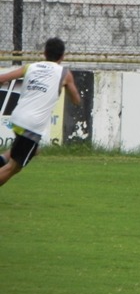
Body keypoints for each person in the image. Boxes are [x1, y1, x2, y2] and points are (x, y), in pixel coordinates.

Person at [0, 37, 81, 186]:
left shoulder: (30, 67)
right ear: (62, 56)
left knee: (31, 151)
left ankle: (1, 160)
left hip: (18, 118)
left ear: (44, 53)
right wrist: (68, 88)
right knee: (14, 167)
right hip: (32, 126)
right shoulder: (64, 74)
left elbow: (2, 78)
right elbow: (76, 99)